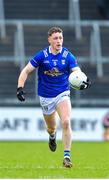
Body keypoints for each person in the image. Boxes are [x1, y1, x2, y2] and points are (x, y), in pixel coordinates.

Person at [17, 27, 90, 168]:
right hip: (45, 96)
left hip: (62, 93)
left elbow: (77, 72)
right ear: (49, 40)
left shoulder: (68, 56)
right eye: (55, 38)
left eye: (60, 38)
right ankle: (52, 136)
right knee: (51, 127)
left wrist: (85, 80)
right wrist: (20, 88)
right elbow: (26, 71)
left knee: (66, 122)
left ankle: (67, 157)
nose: (59, 41)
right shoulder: (42, 56)